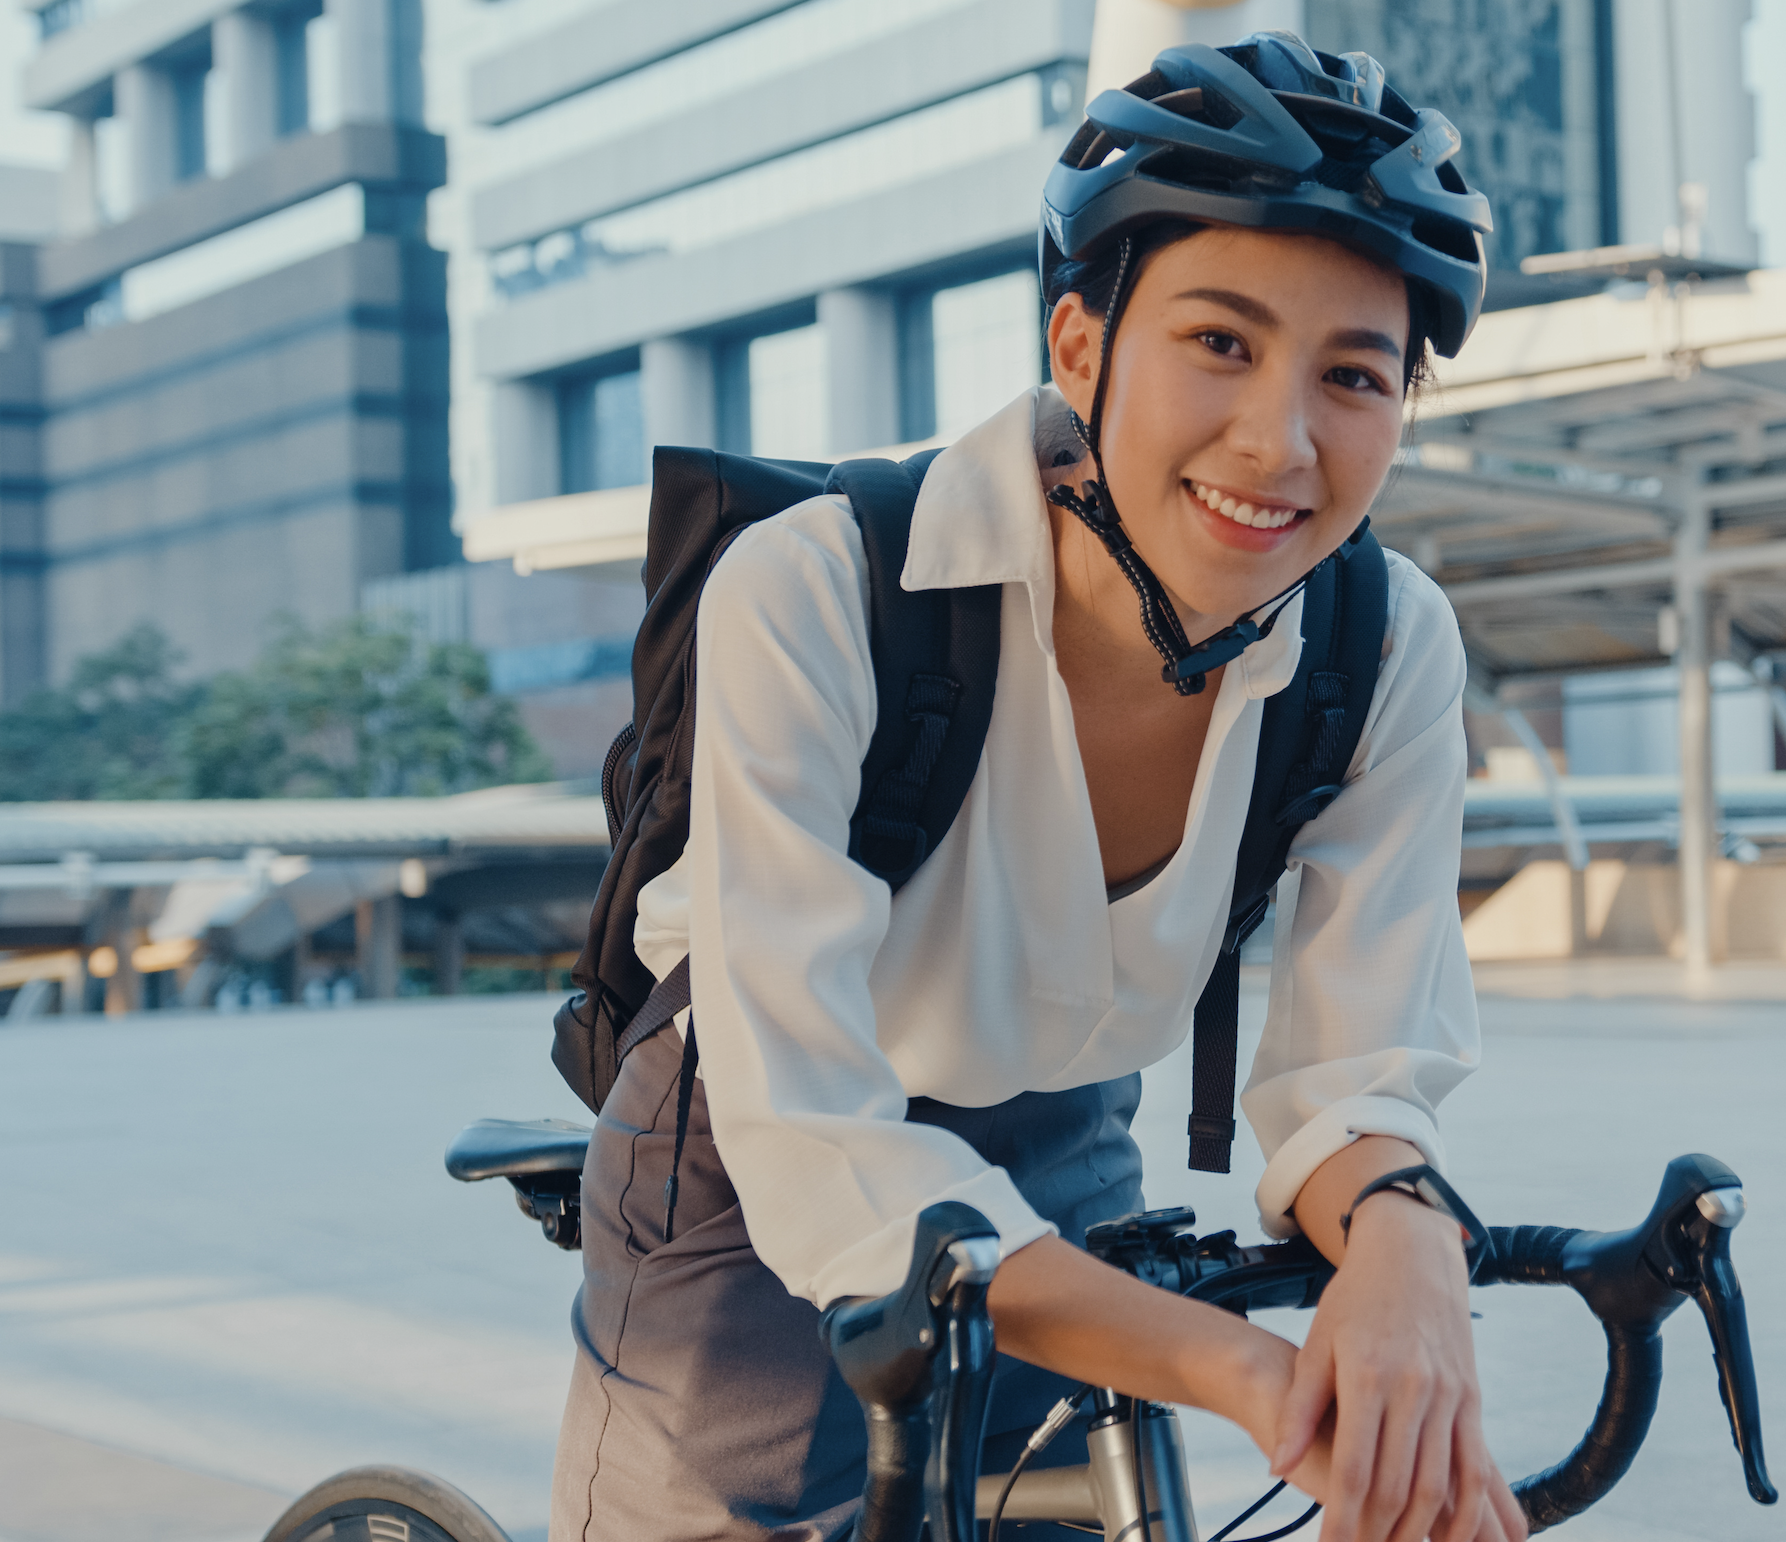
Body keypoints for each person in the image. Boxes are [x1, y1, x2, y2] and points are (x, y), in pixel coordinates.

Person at [553, 32, 1510, 1542]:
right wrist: (1247, 1375)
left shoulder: (1382, 646)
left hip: (1061, 1130)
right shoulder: (819, 589)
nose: (1280, 441)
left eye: (1353, 375)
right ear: (1080, 345)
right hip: (749, 1145)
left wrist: (1412, 1253)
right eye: (1220, 341)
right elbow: (805, 1120)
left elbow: (1357, 1069)